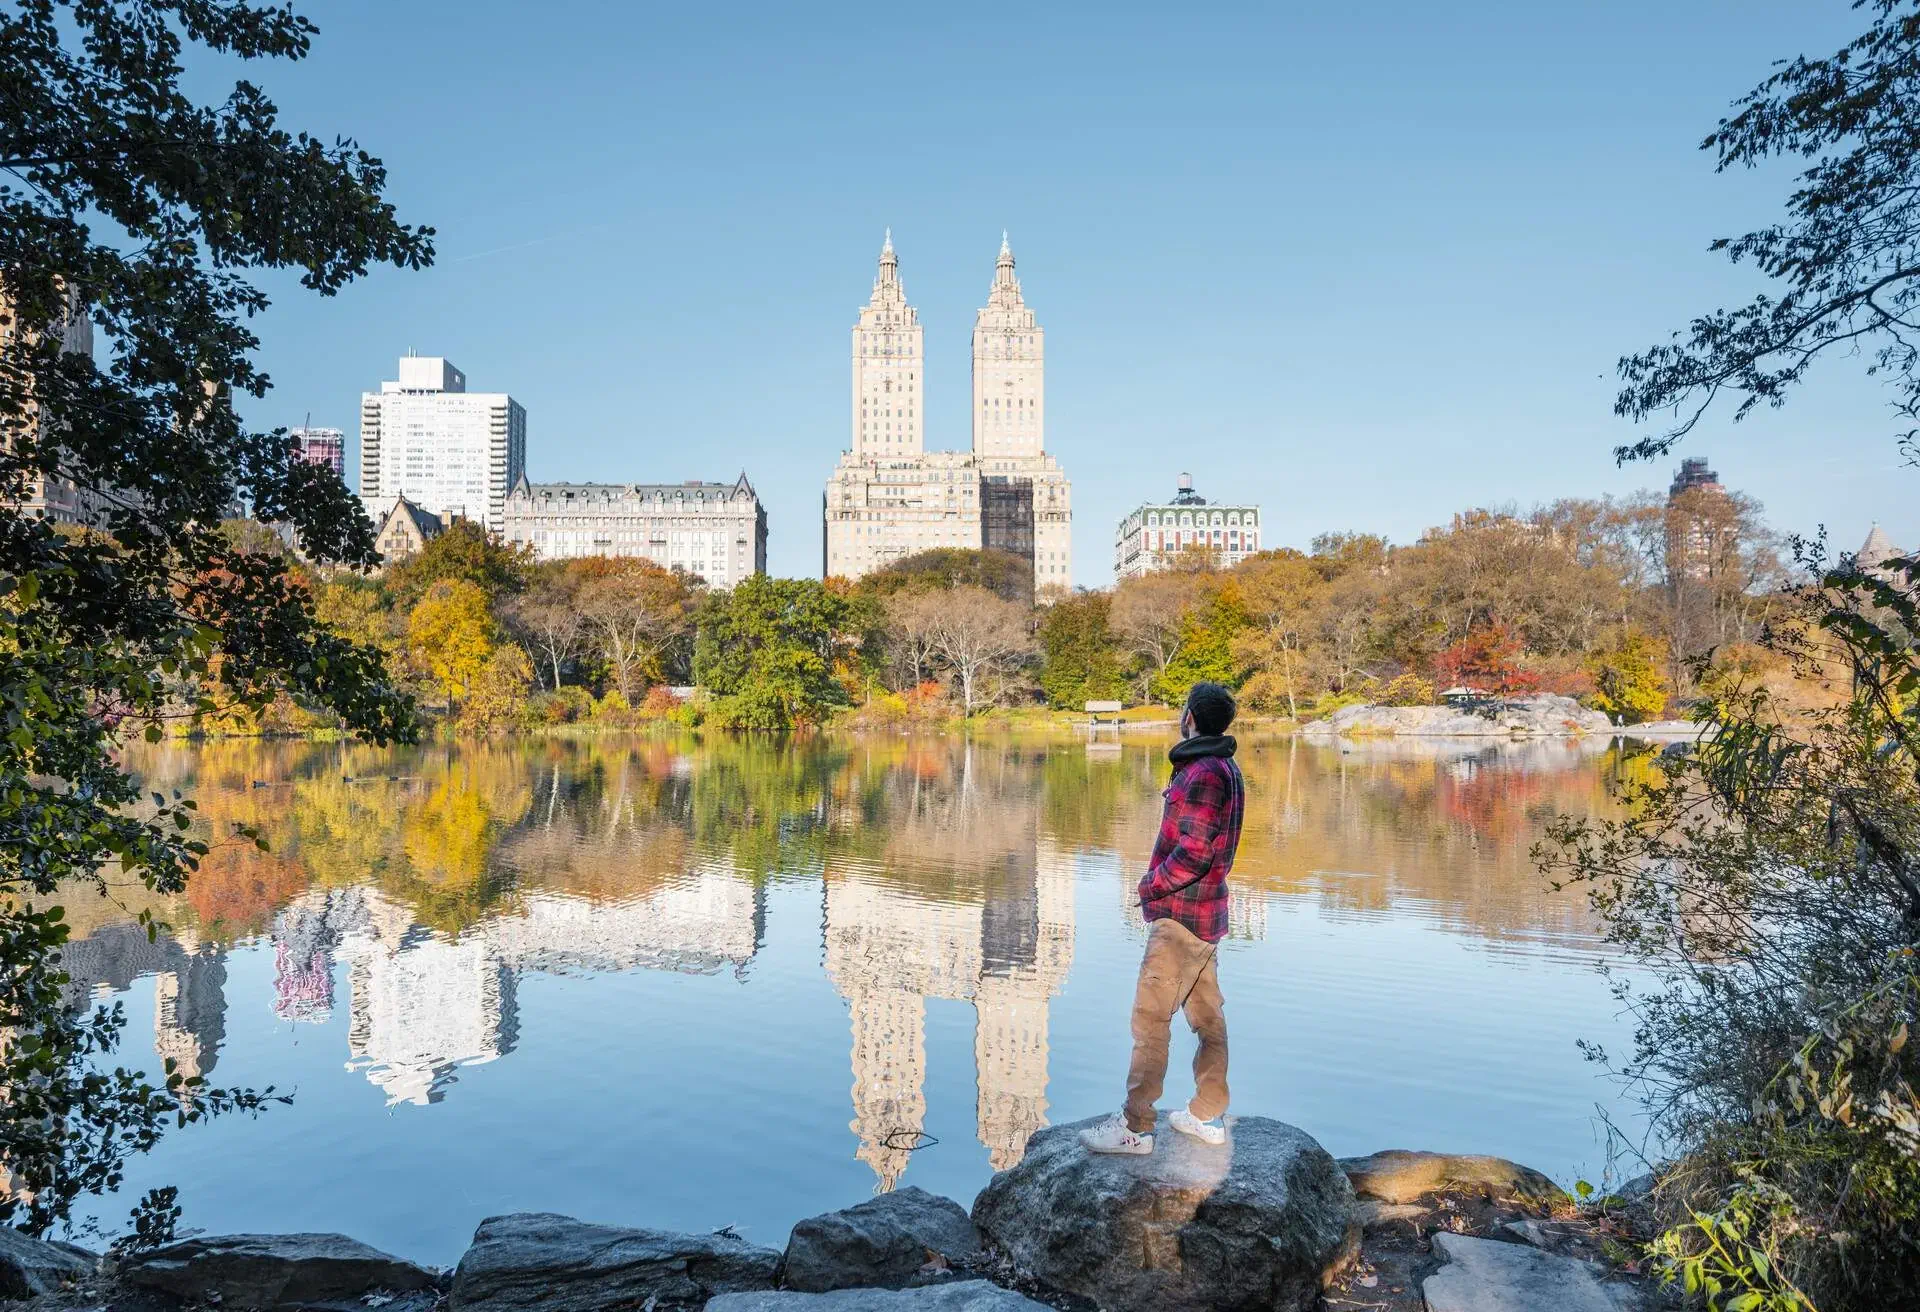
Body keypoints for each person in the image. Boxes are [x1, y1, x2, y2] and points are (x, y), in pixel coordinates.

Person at [1080, 681, 1244, 1155]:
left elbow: (1194, 853)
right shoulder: (1224, 767)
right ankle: (1205, 1115)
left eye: (1182, 710)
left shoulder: (1203, 774)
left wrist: (1148, 886)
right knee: (1207, 1017)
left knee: (1150, 1020)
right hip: (1206, 915)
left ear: (1190, 716)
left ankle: (1137, 1127)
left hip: (1180, 919)